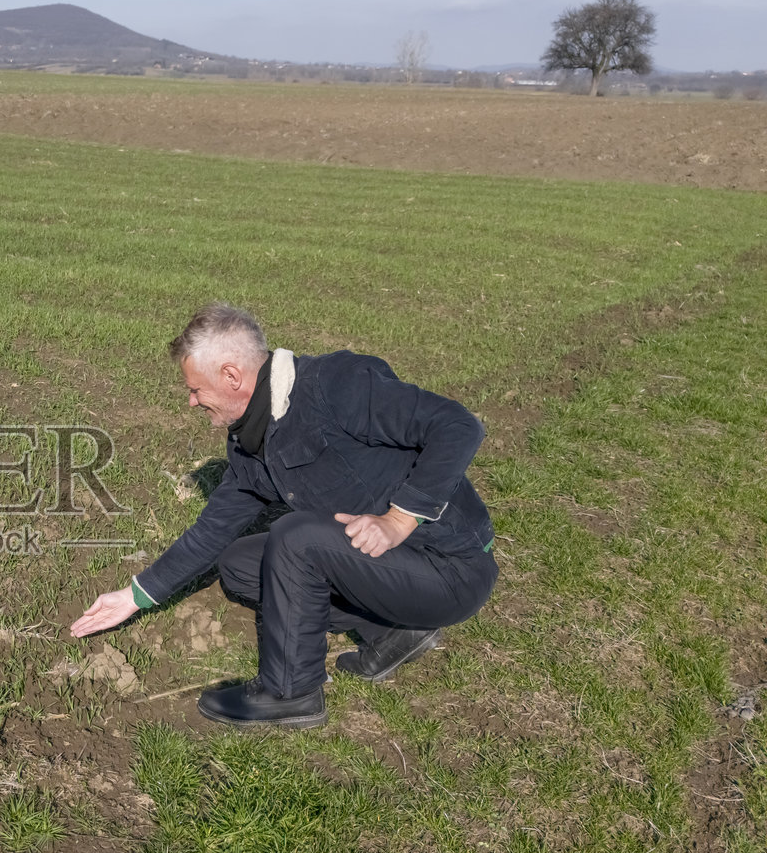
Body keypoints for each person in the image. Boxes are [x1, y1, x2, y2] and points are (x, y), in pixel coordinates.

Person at [69, 303, 497, 729]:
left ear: (232, 376)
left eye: (196, 389)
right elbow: (211, 531)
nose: (191, 401)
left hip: (451, 566)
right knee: (238, 565)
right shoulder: (250, 444)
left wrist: (399, 519)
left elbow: (459, 426)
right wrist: (134, 595)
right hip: (393, 572)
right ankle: (395, 630)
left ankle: (290, 691)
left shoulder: (336, 383)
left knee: (296, 538)